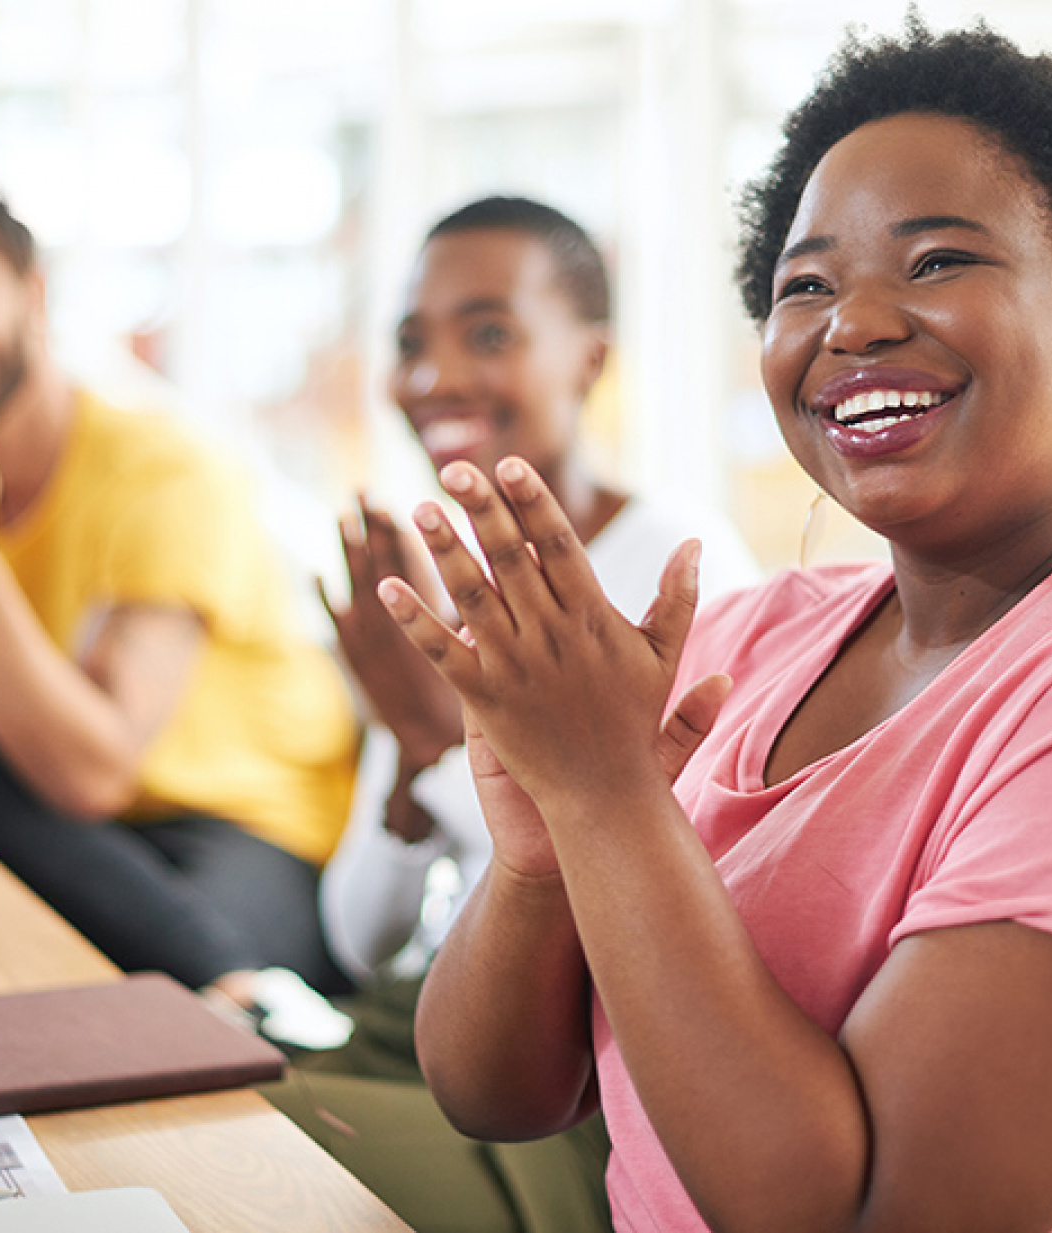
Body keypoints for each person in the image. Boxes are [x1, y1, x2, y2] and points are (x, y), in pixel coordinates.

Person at [377, 23, 1052, 1233]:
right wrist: (540, 848)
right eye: (807, 285)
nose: (855, 324)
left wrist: (610, 801)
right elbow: (499, 1092)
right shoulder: (749, 641)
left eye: (937, 262)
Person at [265, 197, 760, 1233]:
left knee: (228, 1153)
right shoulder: (446, 588)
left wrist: (438, 738)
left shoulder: (678, 580)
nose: (434, 376)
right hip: (420, 1034)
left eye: (487, 334)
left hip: (573, 1087)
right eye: (411, 343)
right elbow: (362, 935)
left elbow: (635, 924)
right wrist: (408, 747)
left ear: (590, 357)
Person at [0, 168, 361, 1044]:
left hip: (249, 825)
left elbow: (97, 770)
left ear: (32, 290)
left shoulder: (162, 469)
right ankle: (189, 991)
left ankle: (236, 991)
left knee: (137, 972)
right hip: (102, 830)